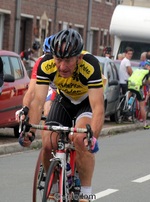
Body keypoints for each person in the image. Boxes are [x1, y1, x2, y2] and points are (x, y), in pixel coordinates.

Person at [18, 29, 104, 202]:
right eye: (58, 59)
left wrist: (92, 137)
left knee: (81, 139)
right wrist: (30, 132)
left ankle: (86, 193)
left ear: (79, 58)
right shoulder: (46, 64)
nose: (62, 66)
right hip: (64, 99)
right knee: (48, 141)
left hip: (86, 101)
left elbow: (98, 107)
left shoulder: (90, 65)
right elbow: (38, 102)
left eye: (68, 61)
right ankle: (55, 185)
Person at [16, 35, 56, 120]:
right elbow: (31, 91)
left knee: (48, 109)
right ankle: (32, 133)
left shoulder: (67, 63)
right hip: (50, 86)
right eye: (47, 55)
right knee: (41, 107)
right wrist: (25, 108)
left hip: (63, 89)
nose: (50, 60)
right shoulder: (40, 61)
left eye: (53, 56)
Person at [128, 59, 150, 129]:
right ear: (148, 66)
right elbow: (148, 82)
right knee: (142, 105)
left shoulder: (138, 69)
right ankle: (145, 124)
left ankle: (126, 105)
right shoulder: (147, 72)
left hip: (129, 84)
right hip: (138, 86)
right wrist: (145, 84)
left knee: (130, 93)